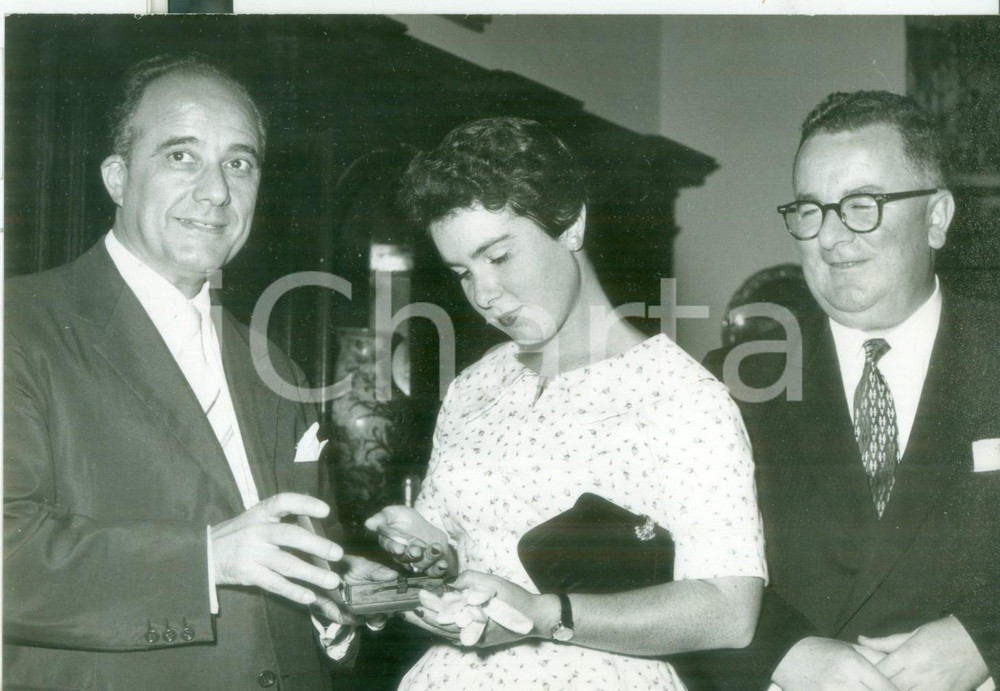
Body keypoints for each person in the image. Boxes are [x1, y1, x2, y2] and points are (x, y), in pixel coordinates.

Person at [3, 53, 395, 690]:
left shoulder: (279, 366)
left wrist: (334, 592)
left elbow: (280, 556)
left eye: (238, 163)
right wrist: (206, 559)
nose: (216, 191)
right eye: (181, 156)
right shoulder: (18, 323)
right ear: (117, 176)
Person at [365, 116, 767, 690]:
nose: (484, 295)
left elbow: (730, 612)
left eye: (499, 256)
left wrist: (542, 616)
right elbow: (459, 566)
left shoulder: (680, 395)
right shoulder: (473, 388)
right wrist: (430, 555)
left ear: (571, 224)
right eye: (461, 273)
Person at [688, 90, 999, 691]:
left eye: (861, 205)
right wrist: (786, 654)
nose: (829, 238)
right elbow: (678, 562)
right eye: (810, 209)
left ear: (936, 218)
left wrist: (985, 637)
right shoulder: (737, 379)